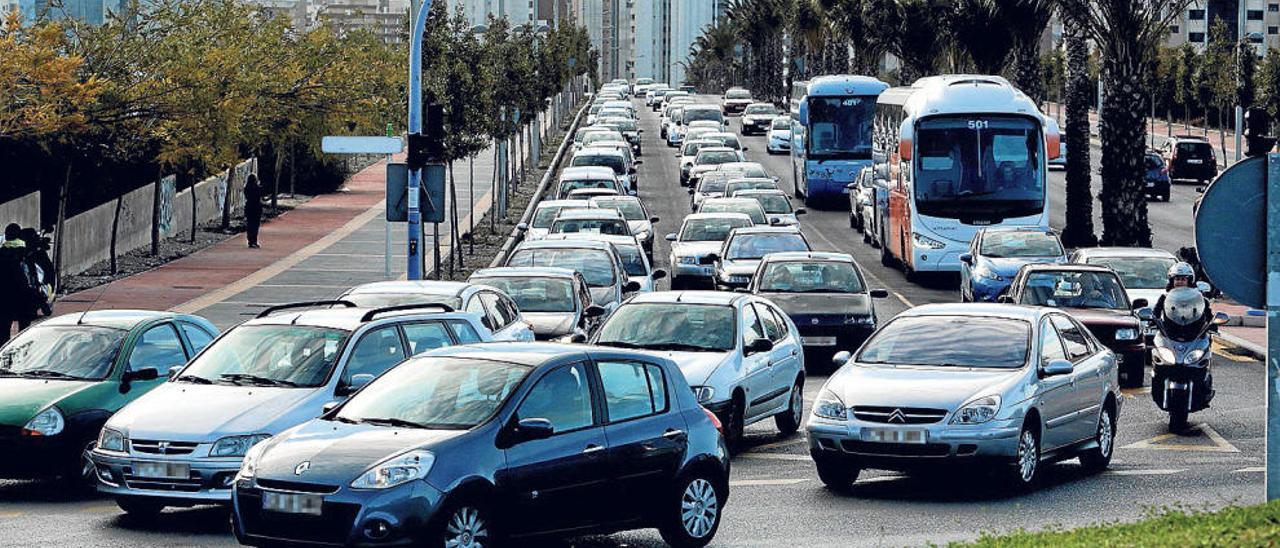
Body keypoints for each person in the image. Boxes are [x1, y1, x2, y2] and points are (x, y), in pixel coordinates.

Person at [0, 224, 36, 346]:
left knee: (3, 331)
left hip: (4, 299)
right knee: (24, 331)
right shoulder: (26, 254)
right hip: (23, 297)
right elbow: (32, 277)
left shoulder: (1, 253)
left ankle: (4, 354)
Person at [244, 173, 264, 249]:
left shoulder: (246, 188)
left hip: (249, 207)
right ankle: (254, 241)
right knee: (255, 225)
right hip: (256, 208)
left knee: (250, 224)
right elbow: (261, 194)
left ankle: (250, 240)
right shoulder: (257, 188)